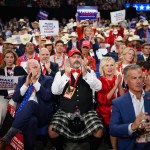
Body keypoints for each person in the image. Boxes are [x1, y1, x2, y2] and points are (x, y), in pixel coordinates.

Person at [48, 49, 104, 150]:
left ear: (82, 59)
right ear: (68, 59)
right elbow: (55, 91)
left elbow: (99, 87)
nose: (76, 59)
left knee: (99, 130)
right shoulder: (60, 74)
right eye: (74, 57)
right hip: (65, 110)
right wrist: (66, 75)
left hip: (86, 111)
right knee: (52, 131)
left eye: (79, 57)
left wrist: (85, 74)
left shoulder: (90, 72)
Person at [0, 59, 53, 150]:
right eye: (33, 67)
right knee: (31, 120)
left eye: (37, 67)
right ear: (28, 70)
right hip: (25, 114)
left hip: (42, 112)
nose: (37, 69)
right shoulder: (22, 79)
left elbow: (47, 97)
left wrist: (35, 82)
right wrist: (26, 84)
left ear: (40, 68)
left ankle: (7, 137)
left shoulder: (48, 79)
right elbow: (15, 98)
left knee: (31, 103)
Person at [110, 64, 150, 150]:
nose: (138, 81)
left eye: (140, 77)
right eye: (134, 78)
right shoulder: (118, 103)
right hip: (130, 146)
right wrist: (132, 126)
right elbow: (113, 129)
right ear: (126, 80)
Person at [96, 57, 124, 150]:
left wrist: (119, 84)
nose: (109, 68)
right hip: (105, 110)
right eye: (106, 65)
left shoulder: (118, 78)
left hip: (118, 108)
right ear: (102, 68)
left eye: (112, 65)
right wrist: (115, 86)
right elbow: (104, 100)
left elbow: (123, 97)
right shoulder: (100, 80)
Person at [0, 49, 27, 128]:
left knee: (12, 107)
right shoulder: (0, 70)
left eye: (11, 57)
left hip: (16, 96)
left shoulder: (19, 69)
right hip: (3, 96)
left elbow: (27, 81)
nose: (9, 59)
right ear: (4, 59)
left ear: (14, 59)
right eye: (7, 57)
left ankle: (10, 132)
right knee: (1, 110)